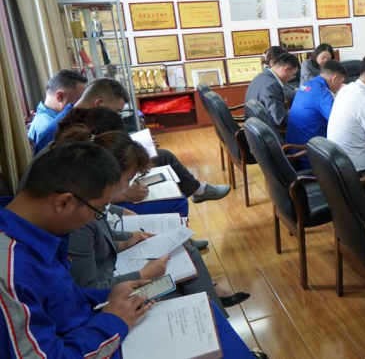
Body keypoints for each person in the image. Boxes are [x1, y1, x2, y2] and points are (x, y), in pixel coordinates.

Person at [0, 143, 264, 358]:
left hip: (91, 329)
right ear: (64, 202)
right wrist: (113, 321)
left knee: (205, 315)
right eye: (97, 211)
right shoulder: (10, 271)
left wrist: (107, 295)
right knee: (207, 329)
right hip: (94, 337)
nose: (96, 219)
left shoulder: (34, 233)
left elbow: (63, 299)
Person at [56, 127, 249, 316]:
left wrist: (124, 242)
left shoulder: (89, 204)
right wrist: (143, 274)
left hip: (116, 272)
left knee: (187, 255)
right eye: (129, 179)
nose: (129, 185)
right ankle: (213, 317)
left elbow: (100, 239)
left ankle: (215, 315)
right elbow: (89, 290)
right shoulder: (81, 217)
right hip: (113, 297)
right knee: (187, 265)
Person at [35, 78, 229, 205]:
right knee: (176, 199)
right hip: (99, 188)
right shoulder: (58, 131)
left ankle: (197, 191)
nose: (118, 117)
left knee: (164, 156)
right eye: (117, 111)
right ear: (99, 103)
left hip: (104, 177)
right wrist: (122, 195)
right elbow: (78, 184)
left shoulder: (79, 117)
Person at [286, 60, 347, 169]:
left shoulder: (306, 85)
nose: (339, 88)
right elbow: (339, 123)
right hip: (311, 155)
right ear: (334, 78)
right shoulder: (322, 93)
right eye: (341, 83)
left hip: (295, 150)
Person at [27, 69, 88, 145]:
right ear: (60, 96)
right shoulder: (51, 129)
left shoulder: (43, 116)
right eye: (80, 98)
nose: (83, 103)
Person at [245, 52, 300, 127]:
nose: (291, 78)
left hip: (253, 127)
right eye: (292, 75)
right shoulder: (272, 85)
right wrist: (300, 111)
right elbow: (281, 120)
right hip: (268, 130)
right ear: (286, 70)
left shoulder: (260, 77)